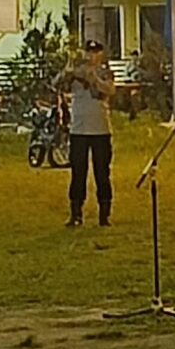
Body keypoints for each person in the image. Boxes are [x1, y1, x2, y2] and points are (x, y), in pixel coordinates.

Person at [58, 41, 117, 229]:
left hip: (100, 130)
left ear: (101, 54)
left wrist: (93, 79)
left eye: (95, 52)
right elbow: (58, 86)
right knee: (78, 173)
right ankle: (76, 213)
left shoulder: (105, 72)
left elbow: (109, 90)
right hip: (79, 129)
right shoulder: (76, 72)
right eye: (89, 52)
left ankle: (104, 214)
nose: (91, 56)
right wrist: (67, 72)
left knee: (102, 173)